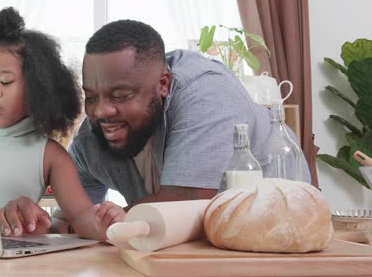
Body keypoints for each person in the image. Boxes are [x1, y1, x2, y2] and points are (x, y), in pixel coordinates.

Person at [66, 19, 311, 210]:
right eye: (92, 96)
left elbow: (185, 202)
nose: (101, 111)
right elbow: (74, 215)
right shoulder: (91, 138)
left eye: (120, 95)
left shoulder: (207, 92)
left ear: (163, 84)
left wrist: (108, 221)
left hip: (278, 230)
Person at [0, 7, 124, 241]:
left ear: (37, 88)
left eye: (5, 82)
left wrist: (104, 223)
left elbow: (80, 215)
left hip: (7, 258)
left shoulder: (51, 155)